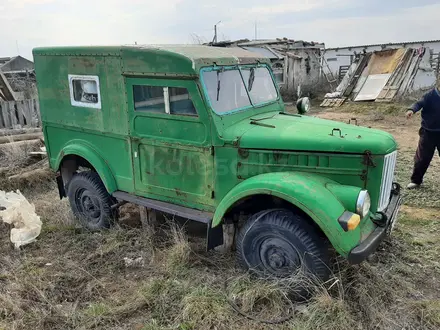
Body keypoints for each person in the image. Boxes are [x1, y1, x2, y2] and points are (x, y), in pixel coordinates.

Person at [406, 82, 440, 189]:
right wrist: (411, 110)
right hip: (428, 132)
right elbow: (419, 103)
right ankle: (416, 181)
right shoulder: (430, 95)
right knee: (422, 158)